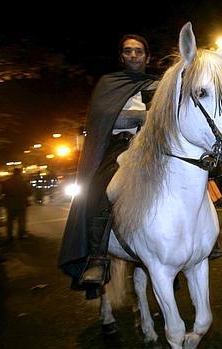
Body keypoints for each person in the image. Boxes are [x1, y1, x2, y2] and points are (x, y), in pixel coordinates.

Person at [58, 34, 158, 295]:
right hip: (117, 148)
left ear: (148, 57)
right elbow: (100, 122)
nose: (134, 55)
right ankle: (97, 257)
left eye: (139, 51)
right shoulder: (109, 85)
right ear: (121, 56)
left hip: (149, 148)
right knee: (99, 189)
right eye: (128, 51)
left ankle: (194, 245)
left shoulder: (159, 86)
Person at [1, 168, 32, 241]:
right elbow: (29, 192)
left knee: (10, 221)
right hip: (21, 204)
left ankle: (9, 236)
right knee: (21, 220)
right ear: (19, 173)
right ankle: (21, 235)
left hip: (10, 205)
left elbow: (3, 192)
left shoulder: (7, 182)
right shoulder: (23, 182)